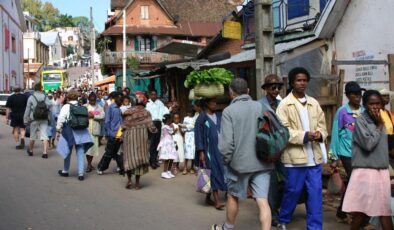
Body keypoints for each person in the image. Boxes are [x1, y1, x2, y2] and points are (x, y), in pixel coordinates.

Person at [212, 78, 273, 230]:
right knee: (263, 201)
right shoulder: (262, 107)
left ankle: (228, 227)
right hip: (263, 163)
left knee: (233, 197)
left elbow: (226, 145)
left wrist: (227, 162)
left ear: (231, 92)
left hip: (238, 165)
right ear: (248, 91)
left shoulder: (228, 111)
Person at [276, 67, 328, 229]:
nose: (302, 83)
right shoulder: (285, 104)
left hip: (314, 158)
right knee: (292, 191)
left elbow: (323, 126)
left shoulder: (314, 103)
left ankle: (314, 226)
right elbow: (283, 131)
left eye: (305, 80)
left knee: (315, 195)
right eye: (299, 80)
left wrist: (320, 135)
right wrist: (305, 136)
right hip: (295, 158)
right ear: (291, 82)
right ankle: (283, 219)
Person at [342, 90, 393, 230]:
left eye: (378, 103)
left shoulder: (383, 118)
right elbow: (368, 144)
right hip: (366, 172)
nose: (375, 107)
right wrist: (378, 127)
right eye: (371, 104)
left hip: (381, 171)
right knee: (361, 212)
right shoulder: (361, 121)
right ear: (365, 105)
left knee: (384, 210)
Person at [329, 81, 364, 222]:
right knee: (355, 181)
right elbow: (336, 133)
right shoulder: (342, 112)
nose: (358, 97)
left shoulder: (364, 110)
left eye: (359, 94)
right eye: (354, 94)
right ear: (348, 96)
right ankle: (355, 215)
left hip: (362, 152)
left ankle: (342, 212)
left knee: (353, 182)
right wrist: (333, 156)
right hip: (346, 152)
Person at [258, 74, 286, 227]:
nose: (275, 90)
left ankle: (279, 210)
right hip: (267, 149)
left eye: (278, 87)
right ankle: (273, 214)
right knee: (272, 184)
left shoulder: (283, 103)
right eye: (272, 87)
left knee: (286, 181)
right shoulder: (260, 105)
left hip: (283, 148)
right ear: (266, 89)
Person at [195, 98, 226, 210]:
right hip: (208, 151)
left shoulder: (219, 115)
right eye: (212, 102)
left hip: (220, 150)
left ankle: (208, 197)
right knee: (213, 173)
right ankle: (217, 201)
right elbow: (198, 135)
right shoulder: (202, 117)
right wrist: (201, 151)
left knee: (217, 172)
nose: (215, 104)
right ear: (207, 104)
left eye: (215, 101)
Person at [121, 93, 157, 189]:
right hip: (141, 140)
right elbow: (151, 128)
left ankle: (129, 180)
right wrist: (156, 131)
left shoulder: (128, 112)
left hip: (129, 139)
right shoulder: (146, 113)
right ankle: (137, 184)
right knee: (139, 160)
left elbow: (123, 126)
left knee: (129, 159)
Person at [56, 90, 93, 181]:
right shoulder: (81, 106)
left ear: (68, 98)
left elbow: (61, 118)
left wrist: (58, 129)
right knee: (80, 151)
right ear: (77, 98)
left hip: (69, 131)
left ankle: (65, 170)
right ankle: (81, 173)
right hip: (81, 130)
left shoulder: (66, 106)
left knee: (67, 151)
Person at [97, 92, 124, 175]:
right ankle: (101, 167)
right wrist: (109, 133)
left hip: (119, 133)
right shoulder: (110, 108)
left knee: (115, 152)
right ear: (115, 99)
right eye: (119, 99)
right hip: (113, 134)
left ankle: (121, 167)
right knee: (109, 152)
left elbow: (120, 122)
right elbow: (107, 122)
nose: (121, 100)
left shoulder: (119, 109)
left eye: (121, 99)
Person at [23, 82, 52, 158]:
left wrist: (25, 120)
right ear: (41, 89)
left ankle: (31, 151)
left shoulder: (31, 97)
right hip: (44, 118)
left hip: (34, 119)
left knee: (33, 135)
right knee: (44, 135)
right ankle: (45, 152)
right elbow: (49, 107)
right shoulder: (45, 97)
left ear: (35, 89)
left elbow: (27, 110)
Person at [146, 89, 169, 169]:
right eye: (152, 94)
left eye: (155, 94)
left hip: (158, 123)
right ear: (150, 95)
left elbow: (165, 112)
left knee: (157, 143)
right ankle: (152, 162)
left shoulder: (160, 103)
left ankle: (153, 159)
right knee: (152, 143)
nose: (153, 96)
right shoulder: (147, 103)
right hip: (151, 123)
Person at [85, 93, 105, 172]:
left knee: (93, 149)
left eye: (94, 100)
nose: (92, 102)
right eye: (91, 100)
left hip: (95, 130)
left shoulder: (99, 107)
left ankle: (89, 164)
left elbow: (103, 116)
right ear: (89, 99)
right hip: (86, 131)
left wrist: (93, 116)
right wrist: (87, 115)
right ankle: (89, 164)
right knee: (88, 149)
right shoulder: (85, 107)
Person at [180, 104, 201, 175]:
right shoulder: (185, 118)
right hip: (187, 135)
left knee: (192, 152)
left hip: (193, 136)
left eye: (191, 112)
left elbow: (195, 127)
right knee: (186, 152)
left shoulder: (195, 118)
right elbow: (183, 128)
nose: (189, 114)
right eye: (188, 112)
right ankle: (185, 168)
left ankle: (192, 167)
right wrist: (184, 132)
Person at [157, 114, 177, 179]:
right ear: (167, 120)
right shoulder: (165, 126)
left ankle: (168, 171)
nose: (171, 120)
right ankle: (164, 172)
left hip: (170, 142)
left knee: (171, 158)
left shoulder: (168, 126)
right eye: (170, 119)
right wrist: (174, 129)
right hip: (167, 143)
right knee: (167, 158)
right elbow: (172, 132)